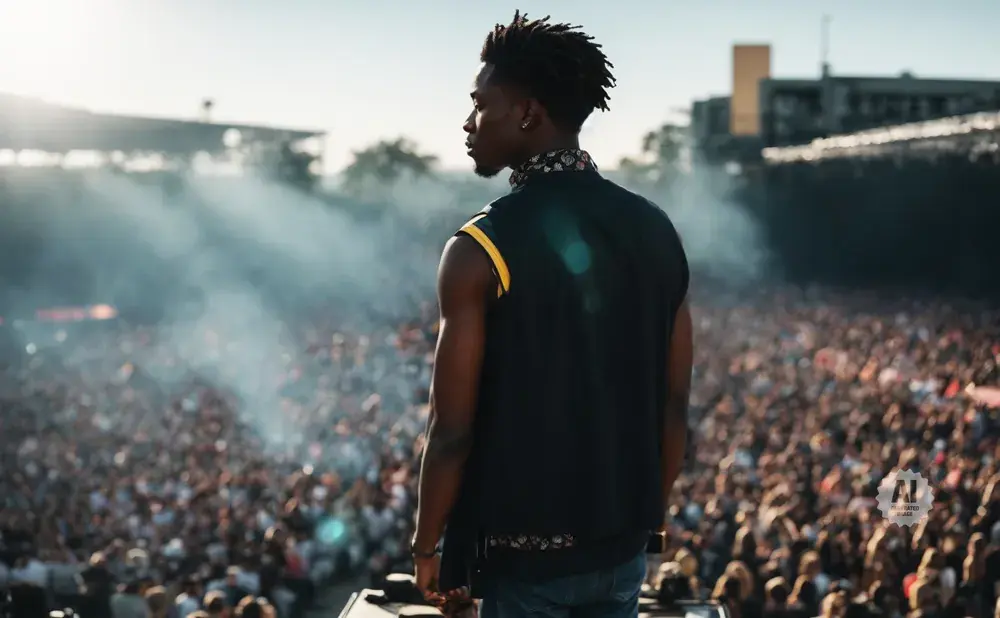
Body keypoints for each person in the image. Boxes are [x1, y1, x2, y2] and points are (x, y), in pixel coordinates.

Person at [412, 10, 692, 618]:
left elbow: (452, 430)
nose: (468, 121)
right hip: (621, 553)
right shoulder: (658, 231)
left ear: (528, 113)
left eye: (479, 103)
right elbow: (672, 405)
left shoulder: (477, 248)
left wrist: (427, 545)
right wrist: (650, 523)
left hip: (524, 566)